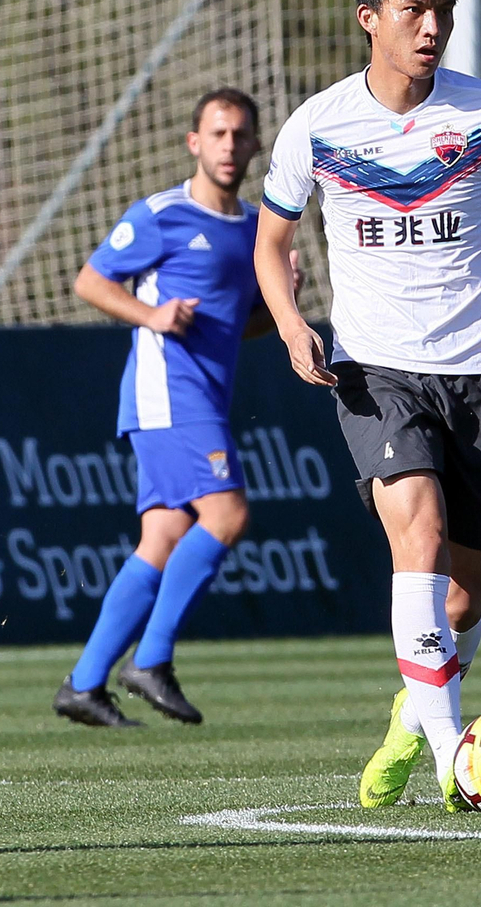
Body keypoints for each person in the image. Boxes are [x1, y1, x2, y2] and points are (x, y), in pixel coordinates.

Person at [253, 0, 481, 811]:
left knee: (460, 604)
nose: (433, 27)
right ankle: (462, 756)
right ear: (369, 17)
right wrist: (289, 325)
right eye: (415, 9)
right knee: (414, 541)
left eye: (443, 11)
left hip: (479, 372)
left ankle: (410, 718)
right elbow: (271, 244)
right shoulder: (318, 124)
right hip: (375, 370)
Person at [54, 88, 301, 728]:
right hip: (167, 393)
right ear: (195, 142)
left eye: (239, 135)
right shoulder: (162, 214)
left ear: (253, 146)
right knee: (226, 514)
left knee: (162, 536)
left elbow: (239, 328)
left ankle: (83, 685)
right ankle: (152, 659)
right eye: (216, 134)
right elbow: (89, 279)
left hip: (202, 397)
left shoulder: (253, 231)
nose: (228, 145)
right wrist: (153, 315)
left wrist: (280, 304)